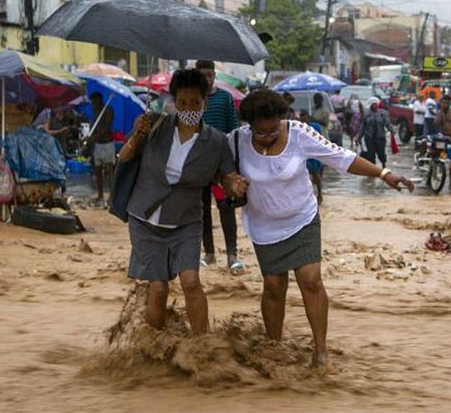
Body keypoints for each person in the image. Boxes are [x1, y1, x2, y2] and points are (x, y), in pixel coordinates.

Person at [229, 89, 413, 369]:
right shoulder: (236, 141)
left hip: (302, 219)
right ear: (249, 126)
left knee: (311, 280)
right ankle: (274, 347)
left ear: (282, 119)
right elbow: (215, 168)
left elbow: (342, 158)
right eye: (261, 133)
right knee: (274, 286)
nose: (268, 136)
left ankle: (320, 352)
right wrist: (229, 180)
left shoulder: (300, 133)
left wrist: (384, 174)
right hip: (264, 227)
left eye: (273, 130)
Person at [118, 68, 247, 335]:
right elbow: (124, 158)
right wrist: (136, 136)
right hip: (145, 218)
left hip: (186, 221)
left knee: (190, 281)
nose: (189, 108)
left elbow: (227, 176)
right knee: (159, 286)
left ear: (205, 103)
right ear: (174, 102)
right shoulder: (153, 124)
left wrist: (235, 184)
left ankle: (202, 347)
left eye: (195, 103)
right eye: (183, 102)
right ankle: (153, 346)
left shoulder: (217, 142)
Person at [195, 60, 243, 273]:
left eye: (210, 75)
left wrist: (233, 166)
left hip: (222, 164)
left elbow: (234, 131)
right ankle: (209, 253)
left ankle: (232, 254)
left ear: (214, 75)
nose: (207, 79)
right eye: (203, 75)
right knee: (202, 209)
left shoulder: (224, 98)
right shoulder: (193, 101)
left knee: (226, 208)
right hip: (198, 164)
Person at [88, 92, 116, 202]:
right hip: (98, 145)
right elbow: (94, 126)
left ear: (100, 100)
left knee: (109, 170)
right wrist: (89, 137)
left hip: (107, 144)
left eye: (94, 102)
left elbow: (107, 127)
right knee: (97, 170)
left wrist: (95, 137)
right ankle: (100, 195)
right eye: (92, 102)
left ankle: (112, 196)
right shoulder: (95, 111)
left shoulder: (108, 110)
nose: (93, 104)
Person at [433, 94, 451, 187]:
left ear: (450, 104)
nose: (444, 105)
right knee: (435, 157)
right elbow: (435, 124)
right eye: (442, 103)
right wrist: (441, 114)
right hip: (442, 138)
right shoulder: (439, 112)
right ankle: (432, 177)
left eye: (446, 103)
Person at [299, 111, 325, 205]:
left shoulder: (315, 126)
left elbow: (320, 138)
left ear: (308, 117)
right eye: (301, 117)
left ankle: (320, 194)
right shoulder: (299, 127)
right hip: (304, 153)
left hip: (314, 153)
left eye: (304, 117)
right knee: (304, 175)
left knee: (316, 174)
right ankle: (307, 196)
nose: (303, 119)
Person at [359, 100, 394, 167]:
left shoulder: (383, 113)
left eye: (376, 104)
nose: (374, 106)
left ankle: (383, 165)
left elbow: (387, 123)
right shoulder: (366, 114)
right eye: (373, 104)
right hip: (369, 137)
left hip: (380, 137)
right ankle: (373, 169)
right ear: (370, 105)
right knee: (371, 154)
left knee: (381, 154)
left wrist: (391, 130)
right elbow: (363, 126)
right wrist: (359, 137)